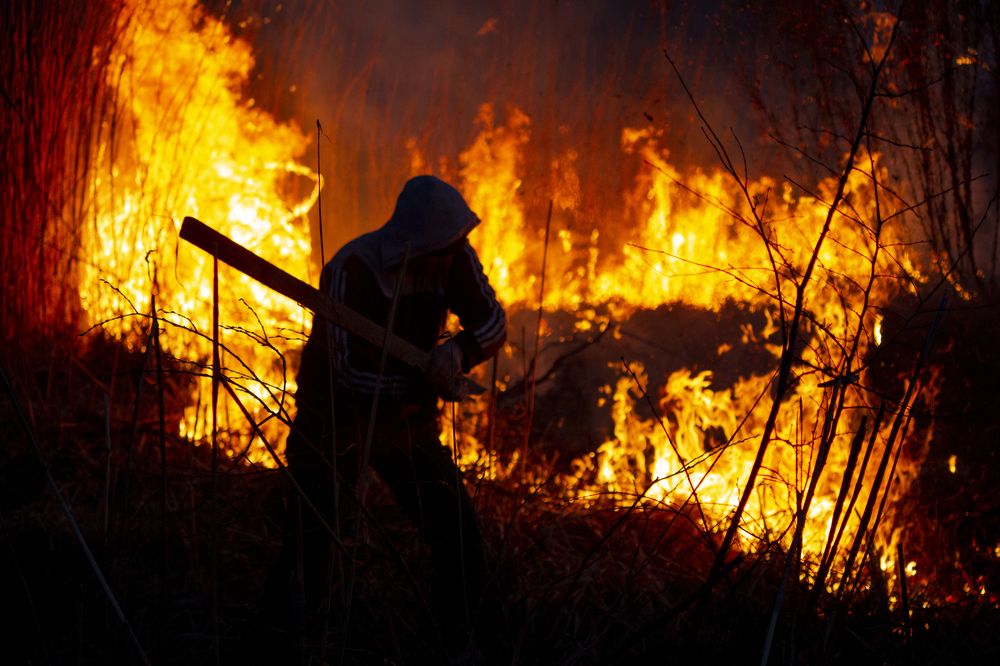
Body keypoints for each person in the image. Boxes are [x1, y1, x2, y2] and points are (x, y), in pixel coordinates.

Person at [284, 175, 507, 660]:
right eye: (443, 247)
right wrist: (424, 381)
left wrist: (458, 353)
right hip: (333, 420)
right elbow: (350, 375)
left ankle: (462, 642)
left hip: (409, 424)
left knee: (456, 533)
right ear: (416, 243)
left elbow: (493, 323)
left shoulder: (454, 258)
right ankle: (302, 641)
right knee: (311, 540)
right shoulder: (351, 270)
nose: (454, 253)